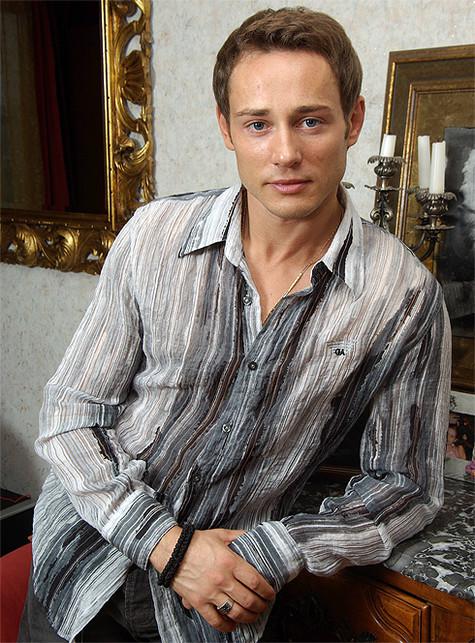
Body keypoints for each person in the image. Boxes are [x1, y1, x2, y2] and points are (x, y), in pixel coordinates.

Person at [20, 6, 451, 643]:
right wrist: (167, 545)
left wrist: (280, 548)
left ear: (354, 120)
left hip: (218, 608)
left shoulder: (404, 297)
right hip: (82, 571)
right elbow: (72, 412)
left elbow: (407, 485)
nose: (286, 153)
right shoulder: (153, 237)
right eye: (258, 124)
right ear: (226, 127)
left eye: (311, 121)